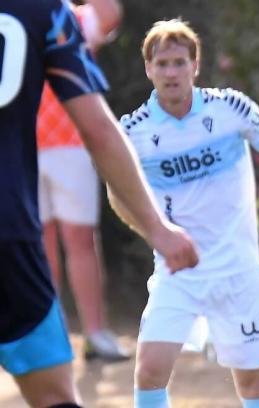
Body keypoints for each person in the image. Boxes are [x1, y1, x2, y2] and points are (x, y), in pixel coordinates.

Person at [117, 19, 259, 408]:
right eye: (161, 64)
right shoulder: (134, 130)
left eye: (179, 62)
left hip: (237, 272)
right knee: (148, 369)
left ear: (195, 65)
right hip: (177, 272)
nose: (171, 72)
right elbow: (118, 194)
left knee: (252, 384)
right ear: (148, 69)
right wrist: (157, 233)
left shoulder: (231, 108)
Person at [0, 1, 198, 407]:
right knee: (55, 396)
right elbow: (100, 128)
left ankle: (92, 331)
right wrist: (156, 227)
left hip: (52, 157)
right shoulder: (42, 11)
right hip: (8, 220)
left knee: (71, 239)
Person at [37, 0, 129, 362]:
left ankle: (95, 334)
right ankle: (48, 335)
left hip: (71, 143)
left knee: (80, 239)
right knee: (36, 244)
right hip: (16, 146)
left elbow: (109, 14)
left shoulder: (69, 17)